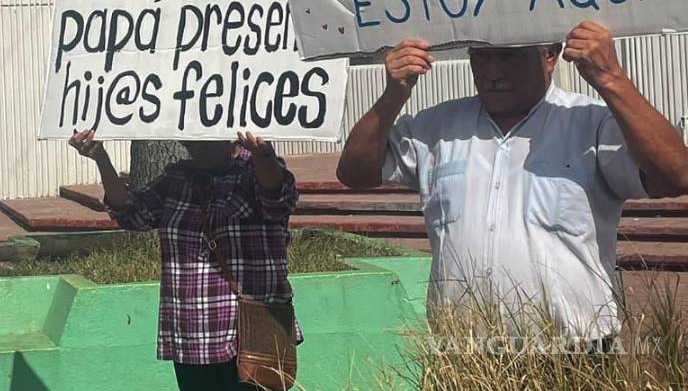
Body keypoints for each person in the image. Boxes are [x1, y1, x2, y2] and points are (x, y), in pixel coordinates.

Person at [336, 21, 688, 348]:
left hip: (575, 356)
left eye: (509, 56)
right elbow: (355, 172)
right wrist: (393, 95)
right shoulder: (437, 129)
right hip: (463, 353)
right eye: (481, 57)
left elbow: (675, 176)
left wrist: (613, 79)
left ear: (550, 56)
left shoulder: (590, 124)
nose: (493, 72)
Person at [70, 130, 299, 391]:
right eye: (190, 140)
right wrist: (101, 159)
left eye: (206, 139)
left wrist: (262, 154)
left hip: (252, 329)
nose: (196, 146)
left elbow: (277, 199)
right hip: (193, 330)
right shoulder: (176, 178)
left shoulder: (257, 169)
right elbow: (132, 212)